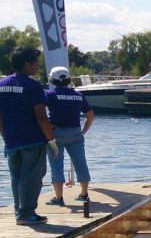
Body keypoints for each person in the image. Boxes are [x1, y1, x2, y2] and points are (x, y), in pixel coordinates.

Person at [0, 47, 57, 225]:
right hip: (32, 139)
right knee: (31, 177)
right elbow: (41, 116)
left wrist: (4, 136)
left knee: (16, 177)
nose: (38, 65)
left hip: (11, 140)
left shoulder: (2, 85)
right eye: (35, 62)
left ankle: (19, 211)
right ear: (27, 65)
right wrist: (51, 140)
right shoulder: (33, 86)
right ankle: (27, 213)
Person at [44, 67, 96, 205]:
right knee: (80, 163)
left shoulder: (49, 94)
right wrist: (82, 132)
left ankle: (59, 198)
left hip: (56, 134)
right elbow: (90, 116)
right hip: (75, 133)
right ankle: (84, 194)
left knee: (56, 165)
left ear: (52, 80)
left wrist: (47, 125)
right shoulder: (78, 95)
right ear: (68, 79)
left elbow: (38, 112)